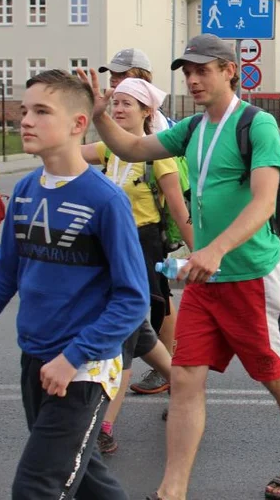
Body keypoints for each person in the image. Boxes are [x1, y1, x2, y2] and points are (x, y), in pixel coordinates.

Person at [79, 34, 280, 500]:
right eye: (187, 71)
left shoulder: (258, 125)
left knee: (273, 372)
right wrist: (99, 116)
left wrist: (214, 250)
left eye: (202, 70)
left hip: (250, 274)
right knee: (186, 378)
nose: (192, 79)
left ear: (229, 71)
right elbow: (131, 149)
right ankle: (171, 490)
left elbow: (263, 201)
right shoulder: (192, 128)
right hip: (203, 281)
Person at [0, 69, 149, 498]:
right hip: (36, 360)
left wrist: (74, 357)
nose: (25, 120)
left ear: (79, 124)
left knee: (37, 486)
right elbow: (2, 278)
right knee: (86, 480)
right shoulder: (25, 191)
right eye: (25, 110)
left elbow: (133, 300)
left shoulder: (104, 200)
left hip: (82, 370)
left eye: (42, 111)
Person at [80, 78, 194, 454]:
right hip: (108, 247)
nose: (119, 108)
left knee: (123, 337)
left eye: (128, 103)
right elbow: (68, 153)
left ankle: (105, 425)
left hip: (142, 249)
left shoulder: (157, 155)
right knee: (139, 331)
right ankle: (180, 383)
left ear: (147, 112)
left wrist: (203, 257)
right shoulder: (109, 150)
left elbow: (179, 209)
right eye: (117, 102)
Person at [100, 48, 171, 132]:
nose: (113, 79)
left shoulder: (157, 126)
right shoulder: (119, 117)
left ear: (142, 79)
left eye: (122, 75)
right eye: (112, 74)